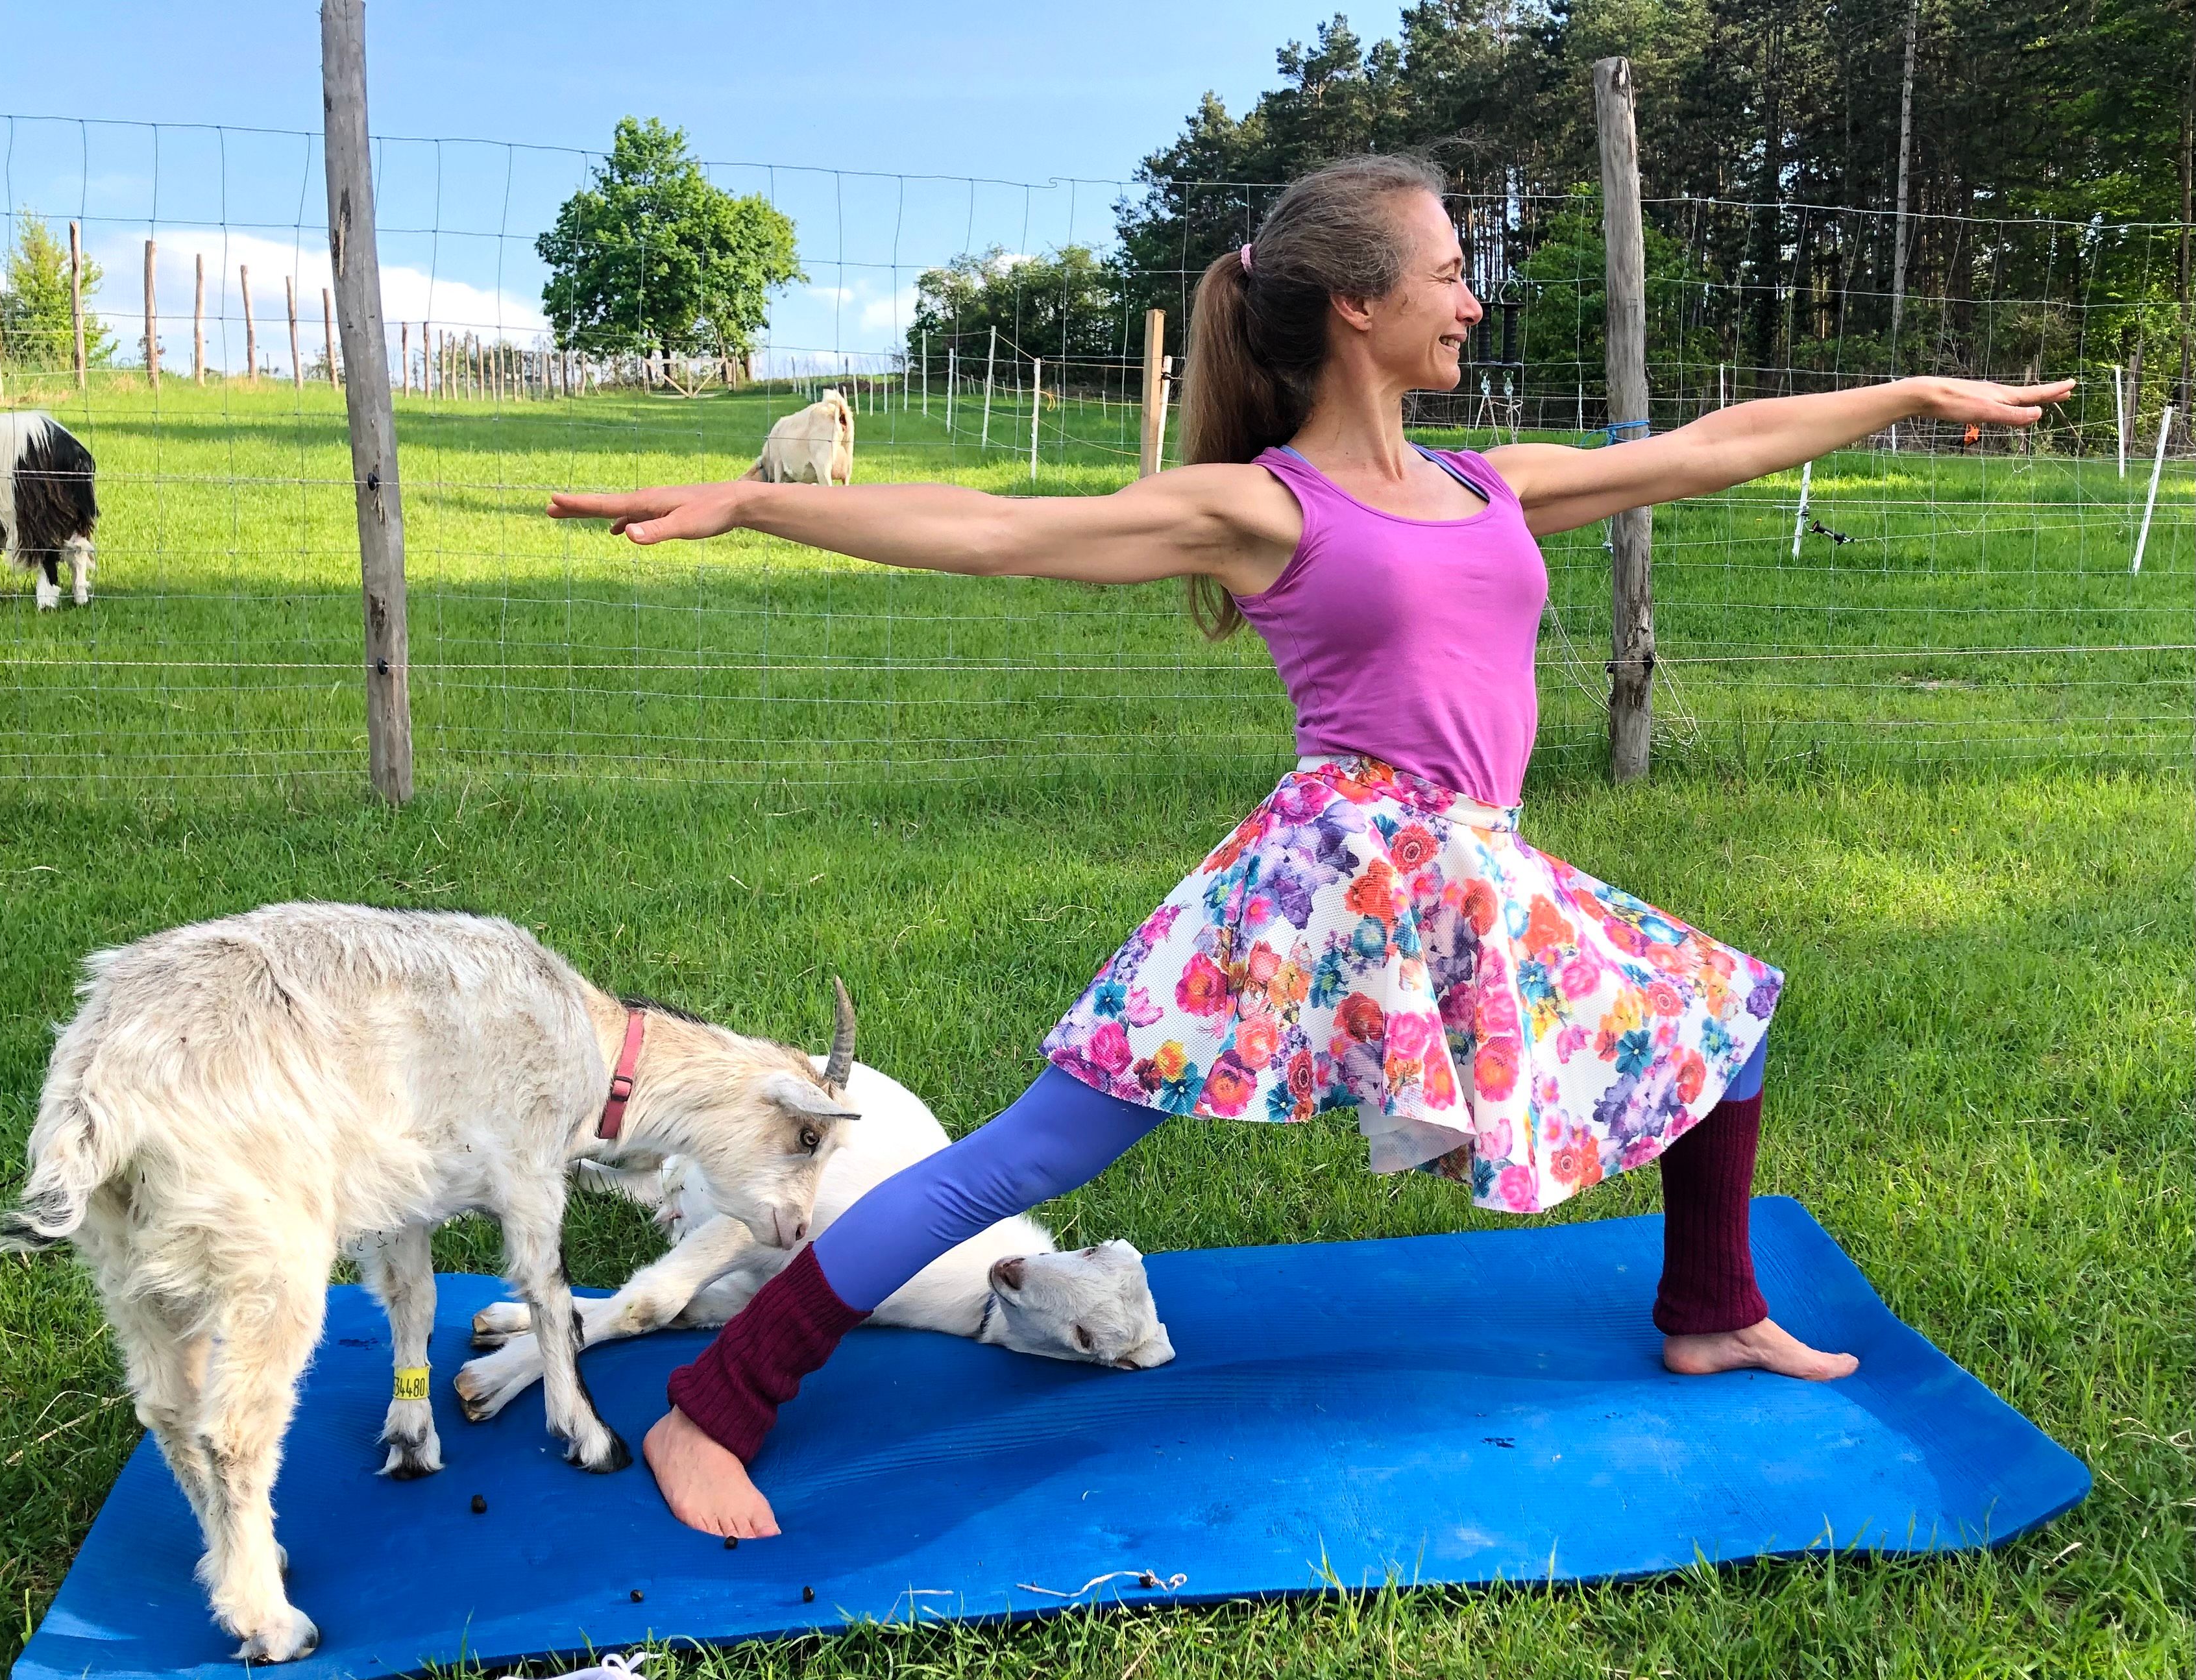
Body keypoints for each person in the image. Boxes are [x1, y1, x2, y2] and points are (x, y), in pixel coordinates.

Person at [548, 155, 2070, 1540]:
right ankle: (717, 1403)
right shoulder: (1263, 506)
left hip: (1474, 869)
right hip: (1319, 884)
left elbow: (1703, 449)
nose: (1472, 297)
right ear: (1357, 304)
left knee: (1719, 1015)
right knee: (1031, 1151)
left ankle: (1714, 1304)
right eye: (1448, 270)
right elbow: (1002, 528)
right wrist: (757, 499)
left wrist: (1901, 392)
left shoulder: (1490, 480)